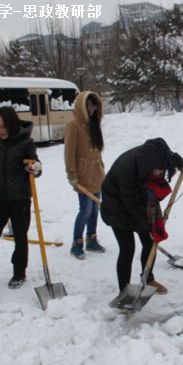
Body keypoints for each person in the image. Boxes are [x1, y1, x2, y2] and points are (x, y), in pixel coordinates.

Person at [101, 138, 183, 295]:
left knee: (150, 241)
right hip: (116, 206)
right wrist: (146, 223)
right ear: (147, 167)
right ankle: (124, 291)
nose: (159, 174)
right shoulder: (126, 170)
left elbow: (171, 158)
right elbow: (130, 203)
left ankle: (148, 279)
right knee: (127, 248)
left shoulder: (158, 154)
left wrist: (182, 165)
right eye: (157, 171)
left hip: (139, 198)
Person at [0, 106, 42, 289]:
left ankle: (19, 273)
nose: (0, 130)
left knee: (20, 237)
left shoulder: (26, 143)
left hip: (20, 197)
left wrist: (35, 168)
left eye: (3, 126)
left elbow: (35, 167)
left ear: (12, 125)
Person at [64, 91, 106, 259]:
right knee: (85, 210)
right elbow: (69, 153)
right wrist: (72, 176)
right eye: (88, 106)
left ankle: (92, 239)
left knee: (95, 210)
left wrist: (102, 170)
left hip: (96, 175)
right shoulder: (73, 125)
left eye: (93, 106)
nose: (90, 109)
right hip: (83, 176)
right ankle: (77, 243)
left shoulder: (94, 124)